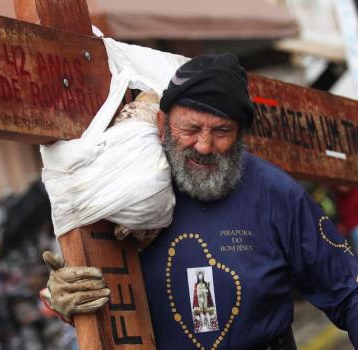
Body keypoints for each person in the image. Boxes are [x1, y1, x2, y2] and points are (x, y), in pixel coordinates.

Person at [40, 53, 358, 349]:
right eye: (190, 129)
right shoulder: (128, 195)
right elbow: (93, 291)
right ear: (163, 125)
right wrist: (64, 300)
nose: (204, 146)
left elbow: (348, 293)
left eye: (221, 131)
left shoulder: (276, 194)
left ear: (241, 133)